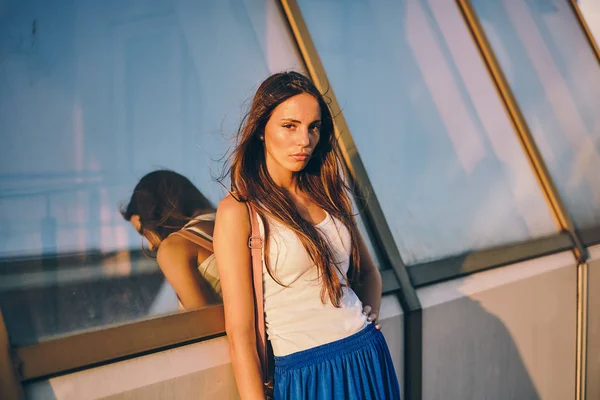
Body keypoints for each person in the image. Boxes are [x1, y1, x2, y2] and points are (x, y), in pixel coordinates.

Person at [214, 72, 400, 399]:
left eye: (313, 127)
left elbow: (369, 273)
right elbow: (240, 335)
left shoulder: (329, 191)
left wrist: (367, 317)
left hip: (367, 355)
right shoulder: (239, 211)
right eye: (290, 126)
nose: (305, 140)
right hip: (307, 375)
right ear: (260, 130)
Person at [121, 170, 220, 309]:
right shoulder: (226, 221)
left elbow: (206, 328)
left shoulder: (175, 248)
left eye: (143, 232)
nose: (150, 246)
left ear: (155, 215)